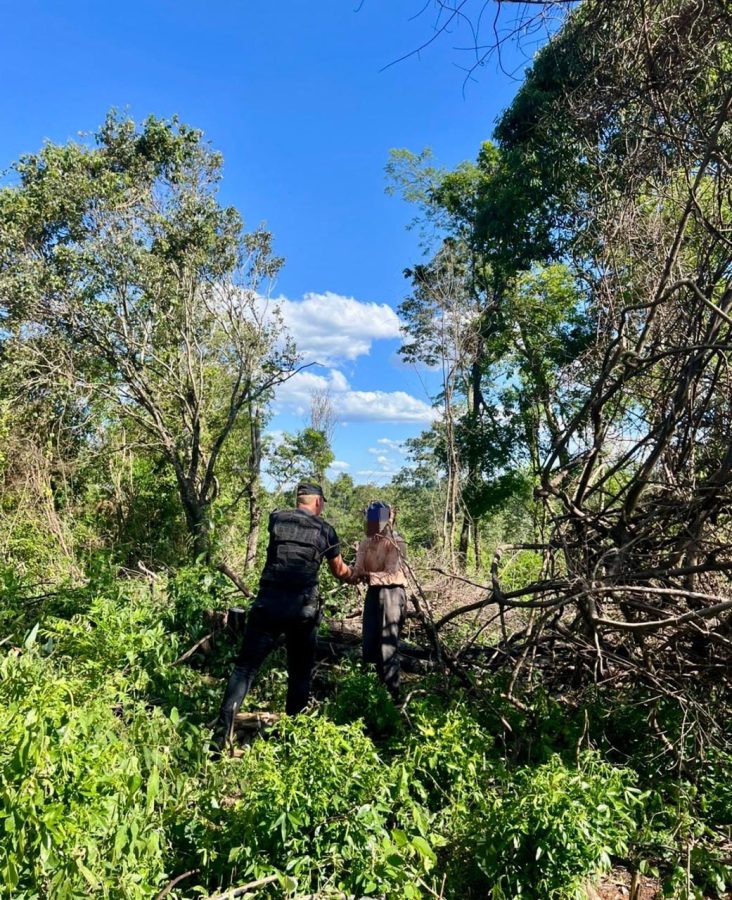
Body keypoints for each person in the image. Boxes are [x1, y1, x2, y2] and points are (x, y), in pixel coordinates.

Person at [212, 481, 357, 754]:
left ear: (299, 500)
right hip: (302, 611)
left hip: (268, 605)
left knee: (244, 669)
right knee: (300, 674)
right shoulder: (325, 531)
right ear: (318, 503)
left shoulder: (276, 518)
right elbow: (340, 571)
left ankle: (220, 741)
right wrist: (357, 575)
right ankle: (294, 741)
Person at [352, 501, 408, 702]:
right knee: (370, 643)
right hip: (374, 594)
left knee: (387, 646)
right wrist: (350, 573)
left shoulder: (395, 542)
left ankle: (394, 697)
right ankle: (377, 692)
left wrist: (366, 576)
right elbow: (357, 568)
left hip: (392, 593)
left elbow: (392, 574)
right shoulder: (366, 542)